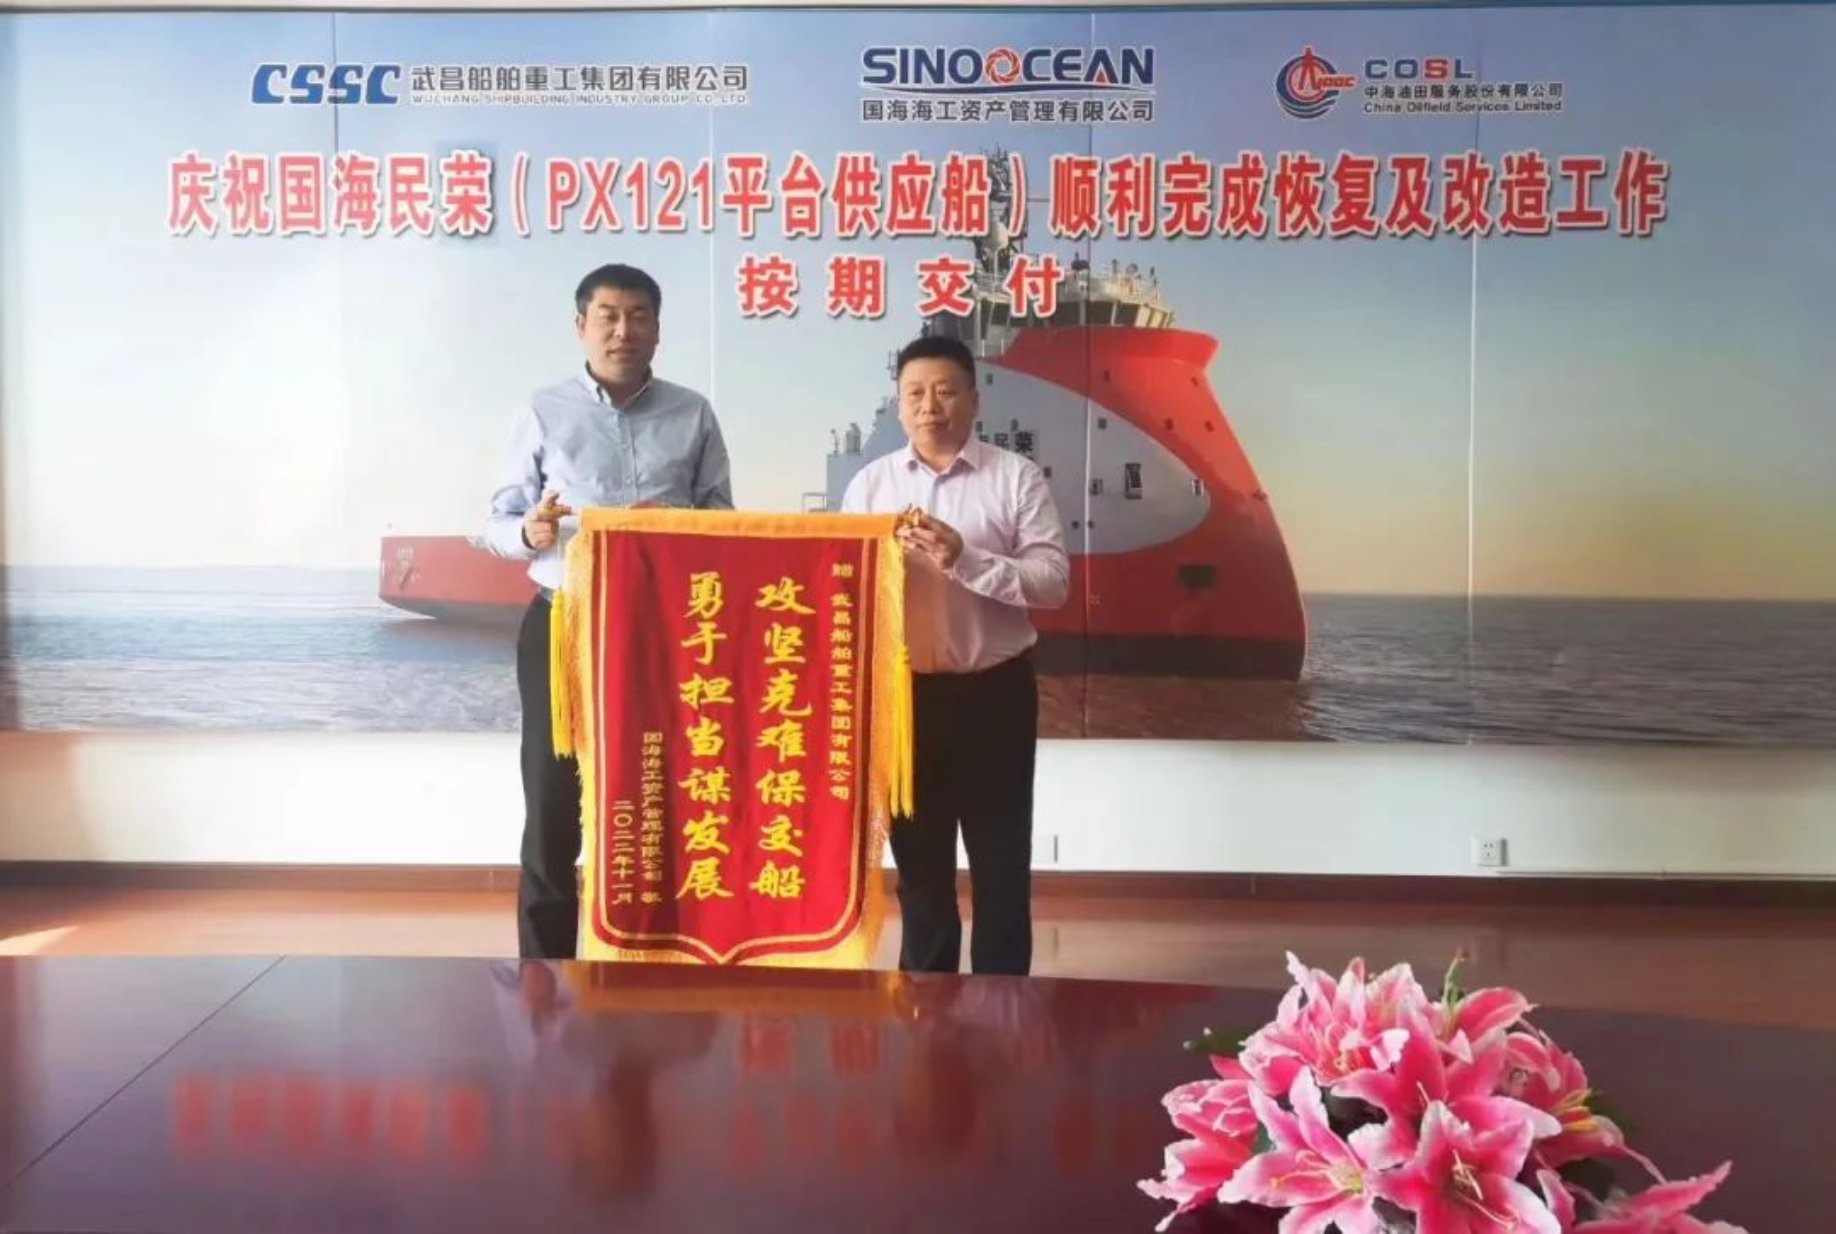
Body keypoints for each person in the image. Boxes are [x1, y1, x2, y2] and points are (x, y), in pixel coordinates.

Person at [485, 262, 733, 960]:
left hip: (665, 631)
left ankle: (655, 956)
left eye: (639, 316)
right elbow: (497, 521)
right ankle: (546, 976)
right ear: (581, 326)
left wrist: (676, 524)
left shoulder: (693, 413)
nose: (624, 331)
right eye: (609, 316)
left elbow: (722, 517)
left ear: (657, 328)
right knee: (553, 801)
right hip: (565, 621)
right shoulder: (542, 411)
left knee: (658, 795)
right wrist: (530, 531)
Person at [840, 334, 1069, 975]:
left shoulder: (1016, 478)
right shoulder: (870, 485)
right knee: (921, 873)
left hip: (995, 693)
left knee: (1001, 866)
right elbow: (845, 588)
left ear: (974, 399)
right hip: (907, 701)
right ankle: (926, 1004)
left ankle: (1004, 1005)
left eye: (945, 391)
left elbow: (1053, 583)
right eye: (915, 393)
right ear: (898, 403)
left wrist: (964, 559)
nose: (929, 406)